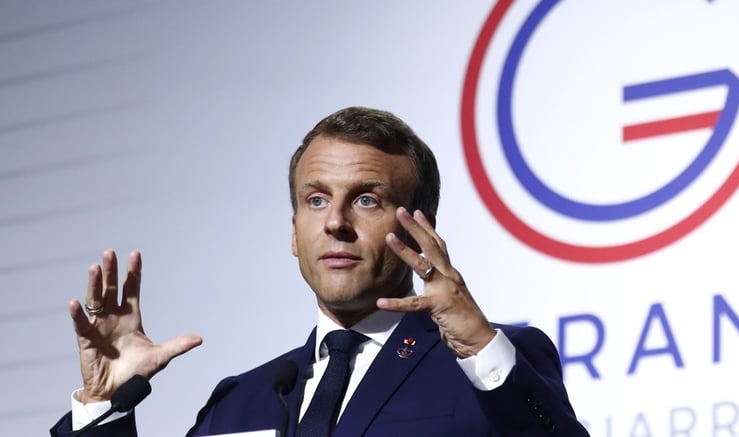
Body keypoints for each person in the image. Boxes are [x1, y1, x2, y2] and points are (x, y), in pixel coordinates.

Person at [51, 106, 587, 436]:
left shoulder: (487, 366)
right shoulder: (241, 401)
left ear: (422, 229)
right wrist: (105, 405)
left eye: (367, 201)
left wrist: (479, 349)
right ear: (292, 232)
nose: (334, 222)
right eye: (314, 200)